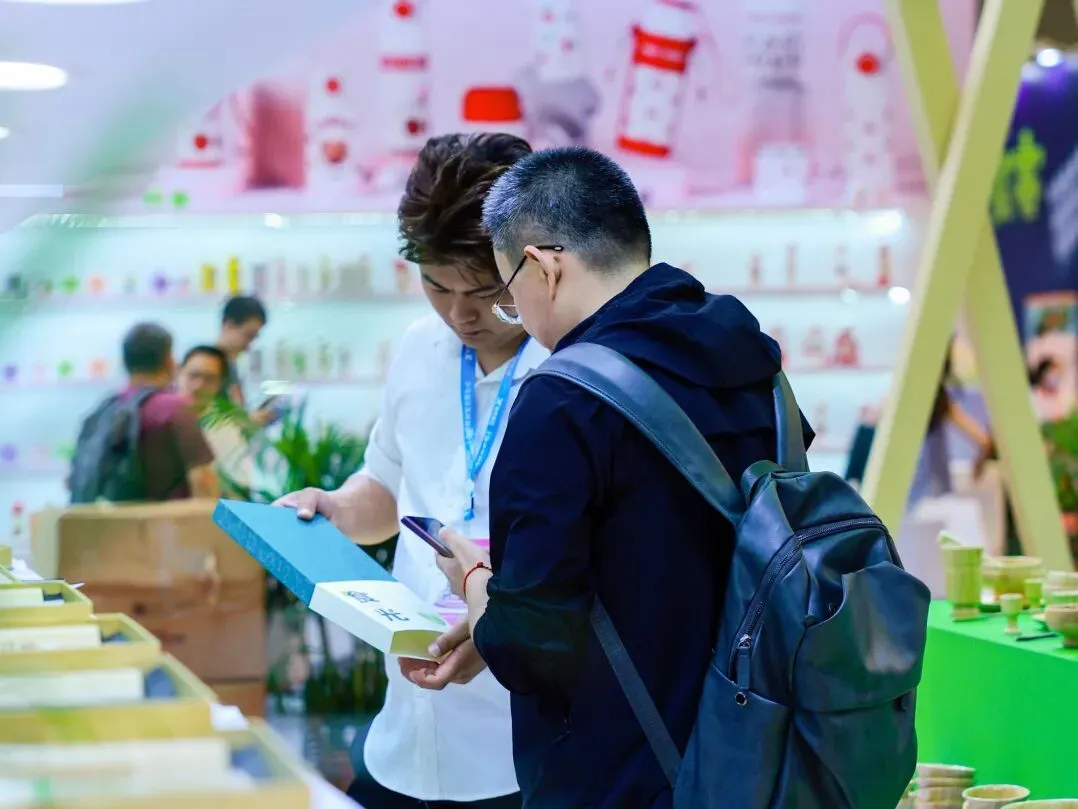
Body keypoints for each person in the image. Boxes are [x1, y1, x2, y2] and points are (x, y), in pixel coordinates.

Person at [418, 147, 813, 809]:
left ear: (543, 267)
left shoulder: (561, 400)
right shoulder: (756, 364)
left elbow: (531, 644)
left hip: (623, 777)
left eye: (507, 293)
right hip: (766, 760)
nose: (517, 315)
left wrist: (476, 579)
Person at [275, 133, 544, 809]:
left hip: (522, 744)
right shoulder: (420, 348)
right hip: (405, 733)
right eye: (436, 285)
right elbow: (385, 491)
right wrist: (334, 508)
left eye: (482, 291)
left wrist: (500, 627)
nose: (459, 314)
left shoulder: (570, 370)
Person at [70, 323, 219, 502]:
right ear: (169, 361)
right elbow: (204, 487)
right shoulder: (176, 408)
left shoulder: (104, 409)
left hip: (109, 517)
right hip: (168, 518)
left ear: (125, 362)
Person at [176, 344, 253, 494]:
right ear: (178, 373)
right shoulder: (159, 416)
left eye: (209, 379)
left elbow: (242, 484)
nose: (198, 386)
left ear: (219, 384)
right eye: (193, 376)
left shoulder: (225, 428)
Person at [216, 295, 271, 420]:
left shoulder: (231, 365)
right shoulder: (209, 367)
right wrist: (248, 420)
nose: (249, 346)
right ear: (229, 325)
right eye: (248, 336)